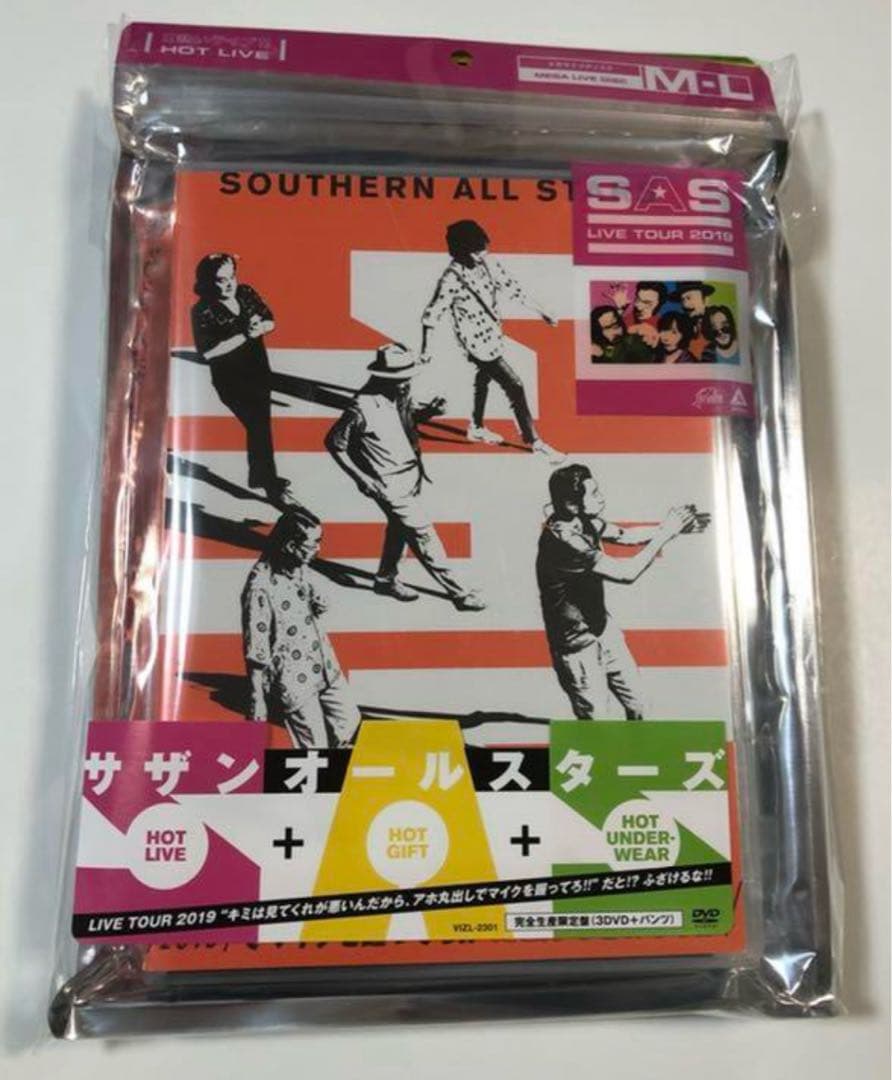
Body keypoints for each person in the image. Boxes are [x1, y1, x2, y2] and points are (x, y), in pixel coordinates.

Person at [536, 464, 710, 721]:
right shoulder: (565, 541)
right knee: (598, 728)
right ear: (571, 504)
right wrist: (666, 533)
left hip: (604, 632)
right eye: (594, 494)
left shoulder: (583, 520)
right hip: (578, 649)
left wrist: (674, 528)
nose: (601, 498)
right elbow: (626, 573)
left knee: (641, 708)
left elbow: (626, 536)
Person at [325, 344, 485, 610]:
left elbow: (404, 421)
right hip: (387, 484)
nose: (406, 383)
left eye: (408, 377)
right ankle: (460, 593)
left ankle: (385, 580)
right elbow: (334, 443)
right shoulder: (361, 406)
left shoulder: (400, 394)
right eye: (400, 379)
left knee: (399, 529)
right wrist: (361, 478)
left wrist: (430, 412)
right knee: (423, 534)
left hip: (412, 476)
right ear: (383, 378)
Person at [419, 219, 563, 463]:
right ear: (462, 251)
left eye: (483, 249)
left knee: (483, 379)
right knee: (515, 386)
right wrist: (426, 350)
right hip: (475, 343)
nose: (482, 255)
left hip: (493, 335)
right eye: (476, 251)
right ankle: (534, 442)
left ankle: (476, 427)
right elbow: (431, 315)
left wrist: (542, 311)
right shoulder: (451, 279)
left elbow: (514, 290)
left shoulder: (488, 263)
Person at [242, 506, 360, 748]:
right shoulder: (260, 587)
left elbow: (310, 602)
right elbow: (256, 645)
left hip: (325, 666)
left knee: (350, 722)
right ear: (290, 546)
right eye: (313, 543)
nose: (318, 549)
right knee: (314, 747)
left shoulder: (299, 566)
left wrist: (318, 601)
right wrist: (257, 698)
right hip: (293, 678)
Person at [191, 253, 296, 508]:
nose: (229, 284)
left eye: (232, 277)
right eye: (221, 280)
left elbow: (270, 319)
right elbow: (208, 352)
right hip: (231, 381)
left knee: (259, 425)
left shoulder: (246, 293)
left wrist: (261, 327)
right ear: (208, 282)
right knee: (259, 425)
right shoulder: (202, 310)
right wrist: (244, 336)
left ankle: (261, 477)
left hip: (259, 374)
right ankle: (269, 484)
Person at [589, 305, 656, 363]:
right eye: (608, 328)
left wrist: (601, 356)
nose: (614, 331)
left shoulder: (634, 342)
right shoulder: (598, 347)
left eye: (616, 325)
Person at [668, 281, 715, 359]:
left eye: (689, 298)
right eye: (682, 300)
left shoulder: (716, 322)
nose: (685, 304)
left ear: (705, 300)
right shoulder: (683, 327)